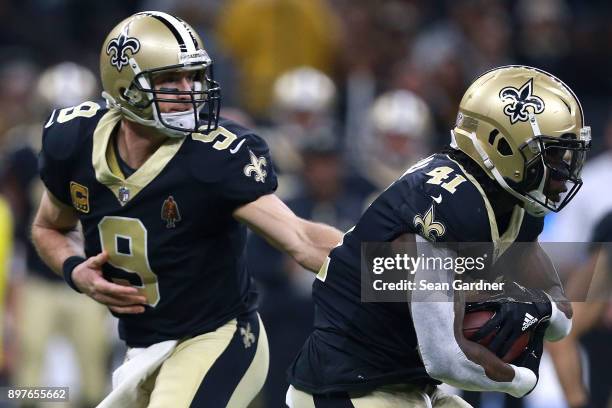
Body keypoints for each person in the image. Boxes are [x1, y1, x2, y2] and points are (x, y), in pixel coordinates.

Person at [30, 11, 342, 408]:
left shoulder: (214, 157)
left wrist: (414, 277)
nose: (189, 89)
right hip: (141, 349)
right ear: (126, 87)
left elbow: (301, 239)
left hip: (219, 337)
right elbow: (48, 229)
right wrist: (76, 272)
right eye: (170, 80)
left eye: (193, 76)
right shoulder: (72, 142)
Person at [286, 65, 591, 407]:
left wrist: (538, 309)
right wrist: (522, 380)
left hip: (406, 381)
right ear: (503, 145)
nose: (564, 171)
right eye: (552, 154)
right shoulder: (446, 208)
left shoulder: (512, 202)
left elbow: (561, 318)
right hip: (347, 385)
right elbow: (445, 358)